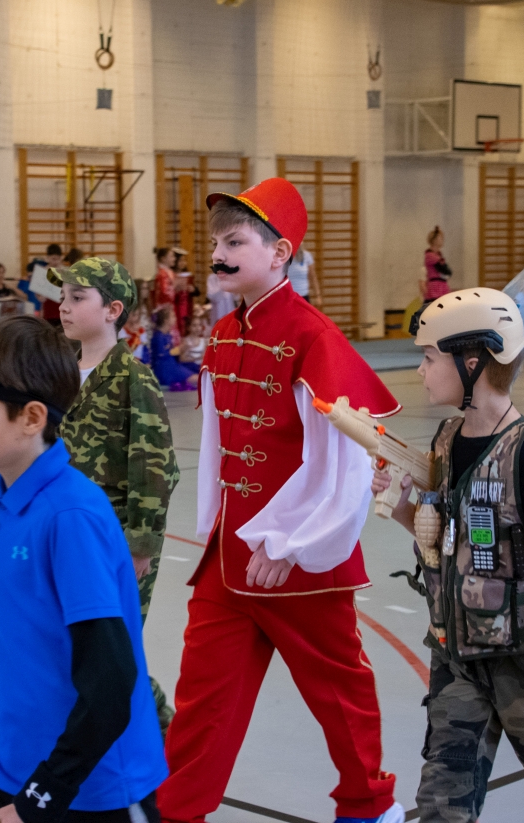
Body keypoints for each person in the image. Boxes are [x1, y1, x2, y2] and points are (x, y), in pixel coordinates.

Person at [159, 178, 404, 823]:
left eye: (235, 242)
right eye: (216, 242)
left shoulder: (312, 337)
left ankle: (368, 807)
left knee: (338, 693)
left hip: (298, 562)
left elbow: (346, 459)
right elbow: (218, 445)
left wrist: (289, 542)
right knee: (202, 699)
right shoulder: (222, 335)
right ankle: (177, 812)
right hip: (228, 558)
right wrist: (218, 528)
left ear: (279, 252)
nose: (219, 254)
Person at [377, 289, 524, 823]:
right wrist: (400, 504)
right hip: (458, 657)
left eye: (430, 357)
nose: (421, 370)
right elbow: (443, 536)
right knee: (442, 803)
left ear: (472, 361)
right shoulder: (445, 439)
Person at [0, 316, 166, 823]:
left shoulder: (70, 517)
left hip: (91, 786)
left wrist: (41, 797)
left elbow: (111, 682)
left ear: (31, 417)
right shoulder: (1, 508)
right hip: (13, 767)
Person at [51, 256, 180, 733]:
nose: (64, 307)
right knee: (77, 641)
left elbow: (154, 467)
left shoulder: (133, 378)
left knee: (113, 645)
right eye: (62, 297)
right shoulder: (60, 373)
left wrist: (141, 545)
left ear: (112, 310)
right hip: (68, 532)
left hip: (117, 536)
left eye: (77, 297)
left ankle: (165, 730)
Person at [149, 309, 198, 392]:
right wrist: (179, 349)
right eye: (173, 316)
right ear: (166, 320)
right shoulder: (158, 336)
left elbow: (171, 352)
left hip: (172, 365)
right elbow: (162, 354)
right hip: (165, 369)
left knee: (196, 374)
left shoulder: (167, 334)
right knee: (196, 379)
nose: (175, 318)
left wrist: (181, 350)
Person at [151, 247, 180, 344]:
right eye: (171, 256)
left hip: (170, 307)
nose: (174, 259)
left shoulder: (169, 272)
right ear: (163, 258)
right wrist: (175, 286)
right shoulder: (162, 274)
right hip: (164, 308)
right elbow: (164, 292)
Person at [421, 226, 452, 303]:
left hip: (442, 286)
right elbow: (444, 270)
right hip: (435, 287)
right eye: (440, 238)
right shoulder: (430, 255)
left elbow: (448, 271)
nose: (442, 240)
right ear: (435, 239)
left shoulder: (438, 255)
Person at [171, 249, 198, 336]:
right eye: (180, 260)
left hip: (187, 305)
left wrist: (193, 289)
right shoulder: (171, 275)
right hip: (176, 306)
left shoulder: (187, 275)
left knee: (187, 325)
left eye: (184, 260)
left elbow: (197, 292)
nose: (183, 263)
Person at [40, 245, 65, 328]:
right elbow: (38, 295)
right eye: (53, 259)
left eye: (58, 259)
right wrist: (41, 296)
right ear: (47, 258)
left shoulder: (65, 272)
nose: (55, 261)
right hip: (48, 310)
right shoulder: (43, 272)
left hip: (62, 309)